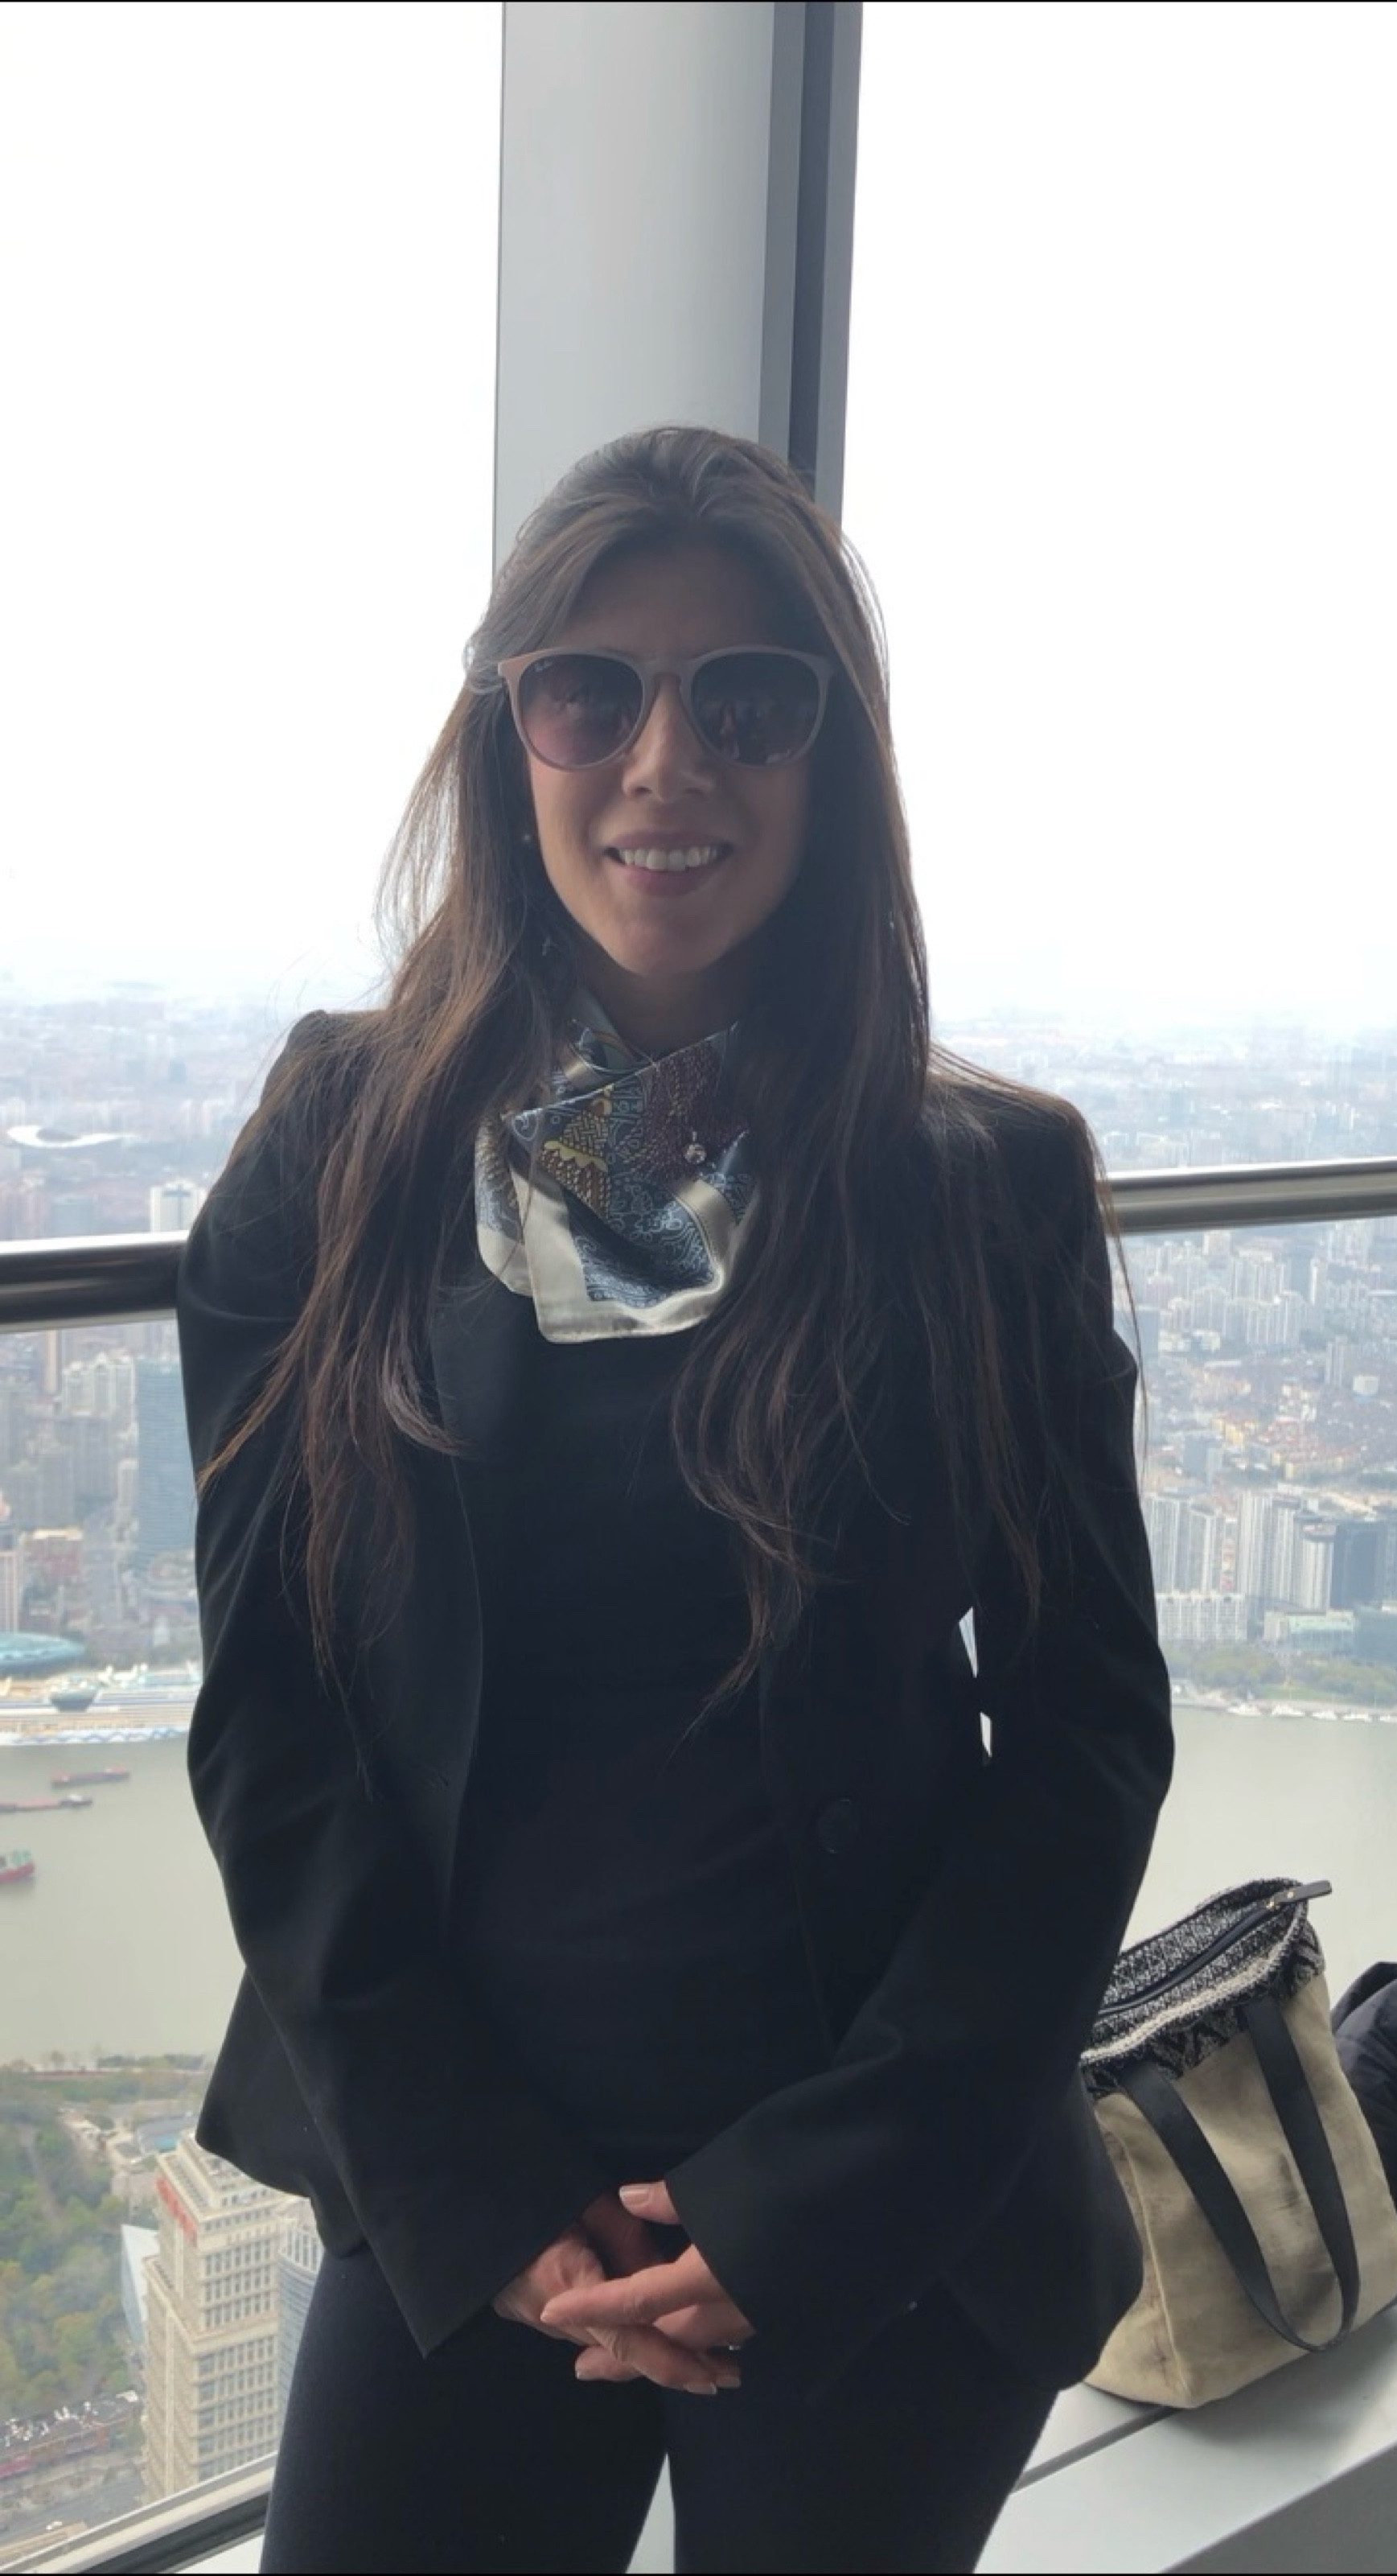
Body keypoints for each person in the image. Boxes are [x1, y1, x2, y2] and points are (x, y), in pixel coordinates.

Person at [175, 425, 1173, 2576]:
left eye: (748, 700)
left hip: (880, 2197)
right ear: (506, 733)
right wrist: (482, 2194)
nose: (665, 761)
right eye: (589, 691)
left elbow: (1085, 1729)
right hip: (472, 2175)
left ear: (834, 756)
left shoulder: (978, 1191)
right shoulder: (342, 1151)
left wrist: (813, 2203)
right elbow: (272, 1716)